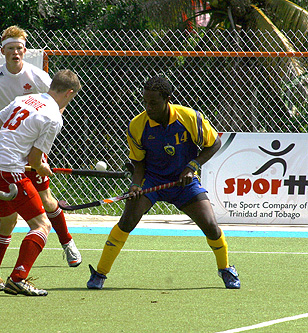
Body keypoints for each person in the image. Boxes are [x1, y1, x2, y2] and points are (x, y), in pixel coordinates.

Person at [87, 76, 241, 290]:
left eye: (153, 103)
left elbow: (214, 143)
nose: (148, 108)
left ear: (168, 99)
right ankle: (100, 273)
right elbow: (138, 163)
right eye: (145, 102)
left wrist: (192, 166)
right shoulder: (137, 125)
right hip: (152, 181)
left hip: (184, 184)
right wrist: (136, 186)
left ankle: (225, 268)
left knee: (211, 226)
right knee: (127, 221)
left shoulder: (189, 117)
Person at [0, 25, 81, 270]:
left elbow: (55, 107)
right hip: (3, 146)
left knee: (45, 198)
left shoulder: (38, 77)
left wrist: (38, 148)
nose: (16, 53)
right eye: (11, 48)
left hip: (31, 145)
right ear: (3, 51)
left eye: (20, 48)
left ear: (24, 50)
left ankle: (67, 243)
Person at [0, 69, 81, 296]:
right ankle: (18, 278)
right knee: (41, 224)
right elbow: (35, 159)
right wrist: (42, 167)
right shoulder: (54, 117)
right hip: (9, 173)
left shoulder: (24, 99)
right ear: (69, 93)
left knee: (7, 223)